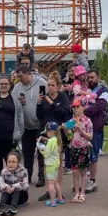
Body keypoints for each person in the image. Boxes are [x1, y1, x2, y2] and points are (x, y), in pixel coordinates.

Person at [36, 71, 70, 201]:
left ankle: (58, 188)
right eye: (48, 85)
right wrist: (39, 104)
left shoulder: (63, 98)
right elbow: (39, 116)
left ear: (58, 86)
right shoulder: (43, 98)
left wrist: (51, 103)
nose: (50, 87)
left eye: (52, 85)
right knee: (47, 161)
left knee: (58, 162)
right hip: (46, 133)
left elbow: (65, 113)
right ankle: (48, 189)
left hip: (59, 134)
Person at [12, 65, 47, 187]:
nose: (19, 79)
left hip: (40, 125)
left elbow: (45, 100)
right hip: (25, 126)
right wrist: (18, 102)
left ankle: (42, 177)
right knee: (27, 154)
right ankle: (27, 177)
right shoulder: (17, 87)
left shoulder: (42, 83)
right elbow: (13, 103)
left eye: (20, 76)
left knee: (42, 153)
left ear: (28, 73)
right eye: (17, 77)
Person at [64, 97, 93, 203]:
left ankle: (83, 193)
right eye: (74, 107)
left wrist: (81, 130)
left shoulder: (87, 121)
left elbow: (90, 137)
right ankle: (76, 193)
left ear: (84, 107)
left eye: (78, 107)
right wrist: (66, 130)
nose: (75, 109)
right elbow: (69, 137)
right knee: (75, 172)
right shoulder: (71, 121)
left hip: (84, 148)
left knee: (83, 171)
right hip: (74, 148)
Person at [84, 68, 108, 192]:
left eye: (92, 77)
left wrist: (84, 110)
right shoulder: (85, 89)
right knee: (83, 153)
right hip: (82, 126)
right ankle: (84, 180)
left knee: (93, 154)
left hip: (96, 126)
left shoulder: (103, 90)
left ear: (98, 77)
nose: (90, 80)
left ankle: (92, 181)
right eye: (88, 77)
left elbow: (100, 105)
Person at [37, 122, 65, 207]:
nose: (46, 133)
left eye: (47, 131)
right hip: (56, 163)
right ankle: (60, 198)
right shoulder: (57, 139)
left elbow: (46, 154)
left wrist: (40, 148)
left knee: (50, 183)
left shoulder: (51, 141)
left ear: (51, 131)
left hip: (50, 164)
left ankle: (52, 201)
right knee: (55, 182)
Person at [0, 151, 29, 216]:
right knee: (5, 185)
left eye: (13, 162)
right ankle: (1, 207)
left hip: (21, 198)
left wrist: (14, 186)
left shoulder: (23, 171)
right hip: (7, 199)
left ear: (18, 162)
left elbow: (26, 186)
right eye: (9, 161)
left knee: (17, 186)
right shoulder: (4, 171)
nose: (11, 164)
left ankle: (14, 207)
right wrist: (6, 187)